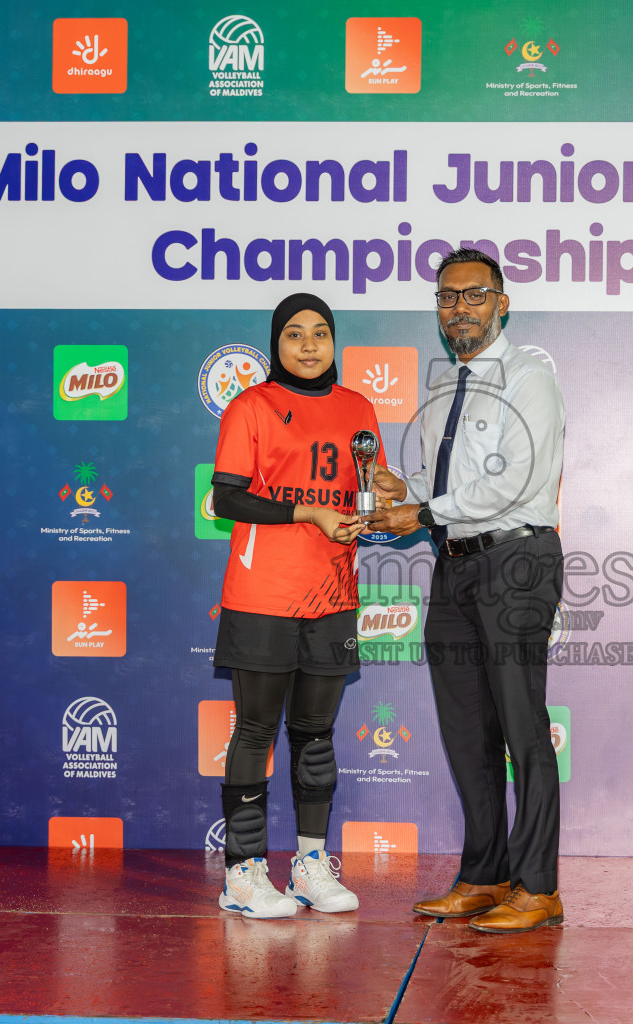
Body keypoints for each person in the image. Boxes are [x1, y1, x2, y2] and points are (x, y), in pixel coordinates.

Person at [362, 248, 567, 934]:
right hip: (453, 566)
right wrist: (405, 492)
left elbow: (513, 484)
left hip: (515, 563)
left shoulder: (530, 376)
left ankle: (539, 887)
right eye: (447, 298)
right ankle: (486, 874)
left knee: (521, 728)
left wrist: (420, 511)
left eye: (474, 296)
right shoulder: (441, 392)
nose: (459, 309)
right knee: (466, 732)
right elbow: (441, 491)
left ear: (502, 303)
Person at [210, 292, 381, 919]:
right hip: (263, 594)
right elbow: (226, 499)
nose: (309, 345)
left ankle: (311, 865)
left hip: (333, 594)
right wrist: (306, 511)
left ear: (334, 341)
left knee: (316, 736)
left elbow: (368, 494)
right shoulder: (250, 406)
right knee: (256, 730)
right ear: (276, 344)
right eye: (294, 334)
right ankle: (243, 874)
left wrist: (375, 507)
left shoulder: (358, 408)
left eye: (320, 333)